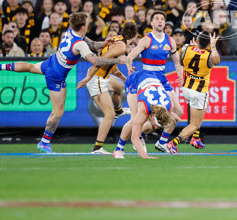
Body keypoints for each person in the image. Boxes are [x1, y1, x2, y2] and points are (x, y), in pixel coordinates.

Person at [0, 12, 127, 153]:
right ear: (84, 26)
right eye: (87, 22)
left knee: (30, 67)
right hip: (56, 76)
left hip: (51, 62)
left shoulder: (71, 32)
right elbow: (96, 61)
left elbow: (92, 44)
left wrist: (105, 43)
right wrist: (118, 60)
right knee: (58, 111)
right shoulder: (79, 44)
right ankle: (44, 142)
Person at [126, 10, 184, 154]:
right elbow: (131, 55)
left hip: (162, 79)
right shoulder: (146, 39)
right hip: (147, 78)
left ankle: (162, 142)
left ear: (164, 23)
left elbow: (177, 63)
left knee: (178, 111)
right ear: (151, 23)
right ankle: (138, 136)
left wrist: (180, 76)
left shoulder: (170, 41)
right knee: (142, 115)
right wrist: (129, 64)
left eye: (162, 19)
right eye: (157, 19)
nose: (160, 21)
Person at [76, 22, 138, 154]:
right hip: (97, 78)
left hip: (104, 76)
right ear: (135, 36)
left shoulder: (117, 39)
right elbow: (99, 62)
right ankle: (97, 148)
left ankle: (119, 111)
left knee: (119, 87)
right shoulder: (121, 46)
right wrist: (88, 78)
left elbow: (108, 62)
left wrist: (120, 75)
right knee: (109, 115)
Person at [166, 31, 220, 152]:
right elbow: (217, 61)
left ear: (197, 40)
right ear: (208, 43)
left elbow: (181, 62)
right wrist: (213, 45)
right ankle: (174, 143)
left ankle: (196, 138)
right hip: (199, 91)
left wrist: (192, 47)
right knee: (194, 124)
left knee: (201, 112)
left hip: (187, 88)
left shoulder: (186, 48)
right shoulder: (209, 54)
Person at [117, 75, 176, 159]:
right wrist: (145, 157)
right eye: (157, 124)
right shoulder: (144, 108)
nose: (156, 128)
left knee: (150, 126)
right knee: (134, 119)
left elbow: (170, 116)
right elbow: (134, 138)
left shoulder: (170, 106)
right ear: (153, 115)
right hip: (134, 81)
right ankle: (119, 149)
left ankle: (141, 136)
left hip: (151, 80)